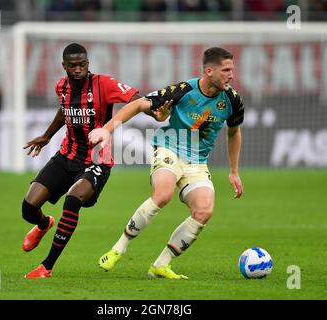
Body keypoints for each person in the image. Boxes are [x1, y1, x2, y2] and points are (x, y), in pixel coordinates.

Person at [89, 46, 244, 280]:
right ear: (209, 71)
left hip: (197, 161)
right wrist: (106, 130)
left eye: (232, 70)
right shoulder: (183, 90)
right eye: (226, 70)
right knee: (163, 194)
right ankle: (118, 248)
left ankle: (161, 265)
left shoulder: (232, 100)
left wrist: (234, 171)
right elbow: (138, 104)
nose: (231, 75)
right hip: (170, 147)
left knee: (204, 210)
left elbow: (234, 132)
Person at [21, 43, 169, 278]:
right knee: (28, 207)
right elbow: (64, 110)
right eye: (73, 66)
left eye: (82, 65)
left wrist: (155, 112)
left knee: (72, 200)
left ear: (88, 64)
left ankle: (46, 267)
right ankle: (43, 224)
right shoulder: (61, 86)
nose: (78, 69)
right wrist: (47, 136)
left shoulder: (104, 84)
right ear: (64, 67)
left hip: (96, 160)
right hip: (65, 156)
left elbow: (136, 99)